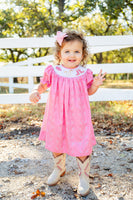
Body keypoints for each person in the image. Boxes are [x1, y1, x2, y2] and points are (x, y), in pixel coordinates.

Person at [29, 31, 106, 196]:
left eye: (77, 51)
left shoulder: (84, 73)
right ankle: (59, 168)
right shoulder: (53, 71)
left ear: (83, 54)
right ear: (59, 53)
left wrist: (96, 84)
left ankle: (84, 176)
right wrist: (36, 91)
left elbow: (89, 91)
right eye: (67, 51)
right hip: (56, 114)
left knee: (82, 144)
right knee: (56, 141)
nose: (72, 55)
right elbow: (43, 85)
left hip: (79, 115)